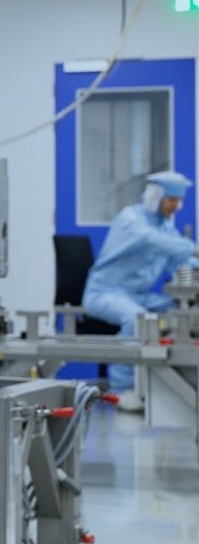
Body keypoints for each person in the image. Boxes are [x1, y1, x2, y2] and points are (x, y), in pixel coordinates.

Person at [83, 170, 199, 412]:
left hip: (139, 296)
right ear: (155, 196)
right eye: (171, 200)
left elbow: (178, 260)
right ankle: (122, 389)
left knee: (184, 314)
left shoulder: (165, 228)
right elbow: (151, 240)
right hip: (105, 293)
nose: (176, 206)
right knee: (137, 320)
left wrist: (193, 263)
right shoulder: (131, 219)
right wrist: (191, 248)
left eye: (179, 201)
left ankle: (178, 386)